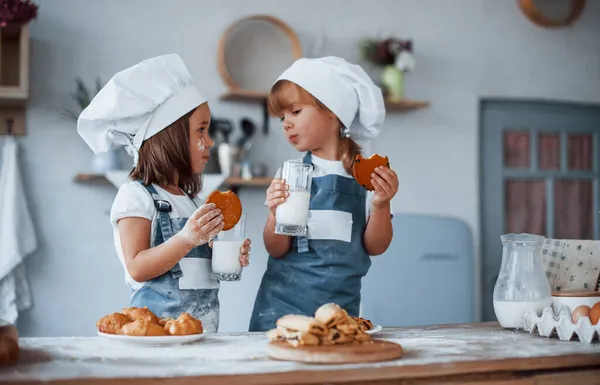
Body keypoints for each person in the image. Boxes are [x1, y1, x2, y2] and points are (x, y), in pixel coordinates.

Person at [77, 54, 250, 332]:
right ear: (169, 138)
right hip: (155, 336)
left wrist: (226, 258)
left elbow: (199, 268)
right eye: (201, 131)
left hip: (204, 336)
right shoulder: (136, 196)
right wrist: (187, 238)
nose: (210, 141)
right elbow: (137, 266)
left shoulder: (194, 200)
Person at [249, 56, 399, 331]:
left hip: (338, 316)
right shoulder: (290, 173)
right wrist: (273, 214)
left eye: (295, 112)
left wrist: (380, 204)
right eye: (282, 117)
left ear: (332, 111)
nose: (286, 123)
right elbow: (276, 248)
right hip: (280, 312)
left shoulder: (365, 176)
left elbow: (376, 246)